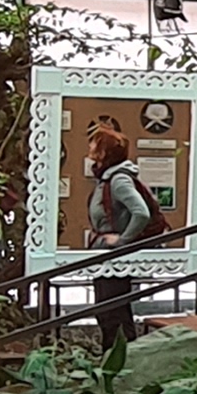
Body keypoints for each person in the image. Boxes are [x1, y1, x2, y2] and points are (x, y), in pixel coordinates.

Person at [80, 119, 159, 354]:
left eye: (94, 144)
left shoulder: (118, 180)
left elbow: (141, 212)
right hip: (106, 257)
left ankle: (120, 359)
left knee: (112, 313)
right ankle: (118, 357)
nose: (90, 149)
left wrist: (123, 240)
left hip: (113, 257)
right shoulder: (109, 178)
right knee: (109, 311)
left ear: (103, 151)